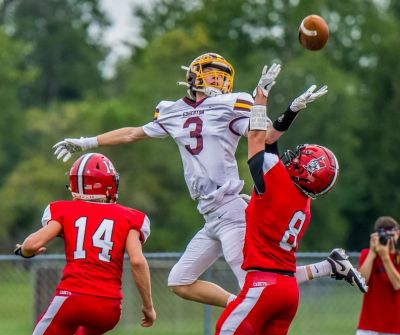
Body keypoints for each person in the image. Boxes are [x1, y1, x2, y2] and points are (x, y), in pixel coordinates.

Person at [52, 52, 366, 316]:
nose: (218, 81)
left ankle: (313, 277)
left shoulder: (233, 103)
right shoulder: (171, 110)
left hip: (230, 209)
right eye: (212, 75)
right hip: (210, 215)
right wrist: (86, 142)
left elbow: (264, 137)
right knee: (180, 281)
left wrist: (290, 112)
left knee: (260, 285)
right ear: (192, 76)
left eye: (222, 76)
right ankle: (316, 273)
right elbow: (133, 133)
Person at [205, 69, 340, 335]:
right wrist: (291, 113)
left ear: (304, 169)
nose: (294, 157)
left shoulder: (278, 180)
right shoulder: (303, 205)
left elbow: (256, 138)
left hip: (262, 283)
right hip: (288, 291)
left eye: (301, 158)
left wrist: (261, 96)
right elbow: (271, 145)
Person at [15, 153, 156, 335]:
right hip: (109, 306)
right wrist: (148, 306)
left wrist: (26, 251)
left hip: (72, 296)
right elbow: (138, 261)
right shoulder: (131, 218)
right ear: (108, 185)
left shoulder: (63, 210)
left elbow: (33, 242)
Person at [350, 216, 400, 335]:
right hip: (369, 321)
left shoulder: (397, 257)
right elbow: (361, 282)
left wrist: (386, 257)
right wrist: (373, 252)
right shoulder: (367, 254)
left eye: (391, 233)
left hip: (395, 323)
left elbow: (397, 284)